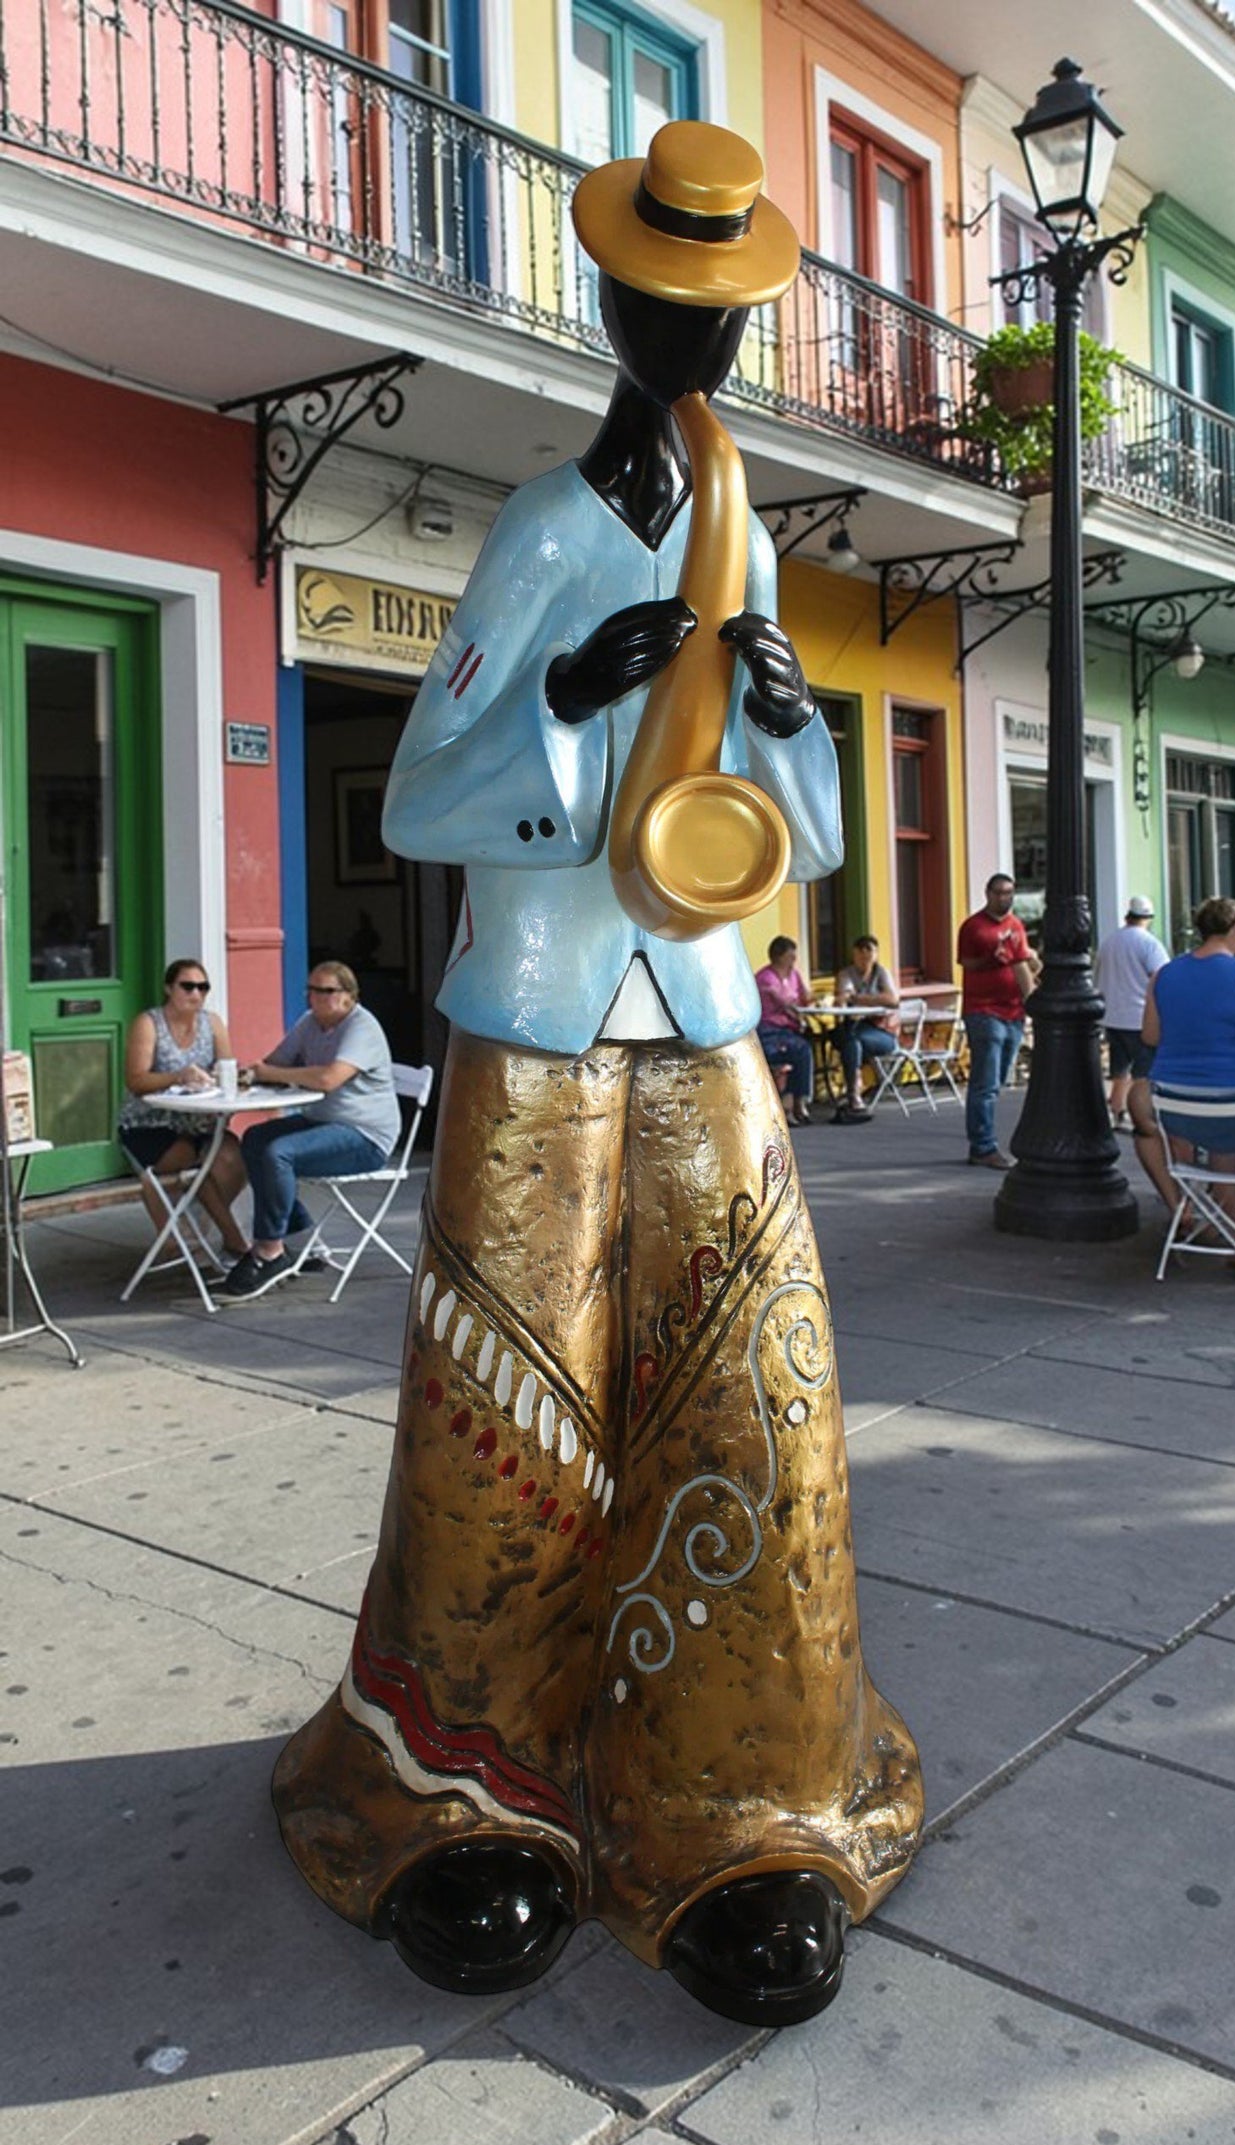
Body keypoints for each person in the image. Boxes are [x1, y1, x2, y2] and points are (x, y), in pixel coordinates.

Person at [271, 123, 921, 2032]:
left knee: (756, 1388)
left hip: (704, 1006)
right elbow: (418, 792)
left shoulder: (754, 535)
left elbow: (783, 826)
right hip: (545, 1010)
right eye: (671, 307)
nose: (696, 345)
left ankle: (749, 1797)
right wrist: (563, 700)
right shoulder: (547, 528)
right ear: (616, 304)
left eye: (724, 316)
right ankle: (470, 1797)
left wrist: (795, 733)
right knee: (508, 1399)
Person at [219, 961, 399, 1302]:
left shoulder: (362, 1027)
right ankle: (301, 1241)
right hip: (323, 1122)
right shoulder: (310, 1023)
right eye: (312, 990)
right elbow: (276, 1062)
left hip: (364, 1136)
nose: (316, 998)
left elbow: (330, 1079)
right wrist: (251, 1075)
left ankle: (269, 1249)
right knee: (256, 1139)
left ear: (349, 996)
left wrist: (274, 1073)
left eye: (326, 991)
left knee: (279, 1153)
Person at [1129, 898, 1235, 1241]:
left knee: (1165, 1118)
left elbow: (1150, 1035)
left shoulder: (1164, 974)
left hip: (1174, 1106)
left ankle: (1181, 1208)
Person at [117, 958, 248, 1262]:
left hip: (200, 1122)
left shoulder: (212, 1023)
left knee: (233, 1156)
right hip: (149, 1123)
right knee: (197, 1164)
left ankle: (202, 1227)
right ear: (168, 988)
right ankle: (235, 1241)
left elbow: (227, 1069)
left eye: (203, 987)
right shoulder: (149, 1024)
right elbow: (136, 1080)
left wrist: (229, 1080)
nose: (196, 994)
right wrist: (179, 1076)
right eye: (187, 986)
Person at [956, 873, 1039, 1169]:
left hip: (1014, 1012)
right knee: (986, 1082)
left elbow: (1022, 964)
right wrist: (993, 957)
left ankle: (983, 1141)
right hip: (983, 1011)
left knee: (1000, 1078)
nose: (1005, 898)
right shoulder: (973, 927)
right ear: (988, 894)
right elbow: (967, 963)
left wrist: (1031, 999)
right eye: (999, 893)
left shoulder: (1016, 926)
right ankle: (982, 1146)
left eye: (1009, 893)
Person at [1095, 896, 1169, 1127]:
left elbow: (1098, 976)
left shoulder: (1109, 942)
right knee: (1143, 1073)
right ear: (1149, 918)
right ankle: (1141, 1116)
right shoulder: (1149, 944)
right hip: (1139, 1018)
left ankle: (1117, 1110)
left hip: (1113, 1016)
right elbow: (1163, 977)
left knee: (1119, 1068)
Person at [831, 933, 900, 1121]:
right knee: (851, 1041)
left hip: (880, 1032)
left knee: (852, 1042)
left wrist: (860, 999)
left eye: (868, 954)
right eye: (860, 955)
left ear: (876, 954)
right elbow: (843, 997)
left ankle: (853, 1093)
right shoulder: (846, 973)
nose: (864, 959)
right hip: (851, 1027)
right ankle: (855, 1095)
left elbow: (892, 1000)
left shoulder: (881, 973)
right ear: (854, 955)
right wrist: (852, 998)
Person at [755, 934, 814, 1126]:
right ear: (778, 956)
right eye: (791, 957)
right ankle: (794, 1103)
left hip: (790, 1030)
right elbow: (784, 1002)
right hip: (769, 1032)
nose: (794, 961)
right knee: (800, 1050)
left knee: (803, 1048)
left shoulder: (793, 975)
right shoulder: (766, 979)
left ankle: (795, 1102)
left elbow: (805, 997)